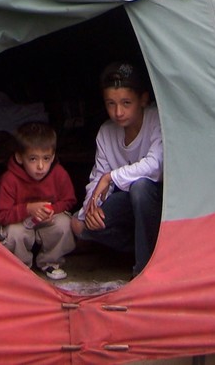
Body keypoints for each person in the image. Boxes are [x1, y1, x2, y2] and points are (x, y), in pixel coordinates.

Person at [71, 61, 163, 277]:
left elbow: (155, 165)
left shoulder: (156, 120)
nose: (118, 112)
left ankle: (143, 270)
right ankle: (143, 248)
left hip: (158, 201)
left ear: (143, 99)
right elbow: (98, 177)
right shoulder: (106, 132)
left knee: (140, 187)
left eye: (126, 103)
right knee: (79, 225)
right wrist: (92, 208)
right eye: (111, 104)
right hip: (128, 204)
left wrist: (110, 177)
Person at [0, 121, 77, 280]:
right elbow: (1, 215)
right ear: (19, 157)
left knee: (65, 223)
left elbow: (69, 200)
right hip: (20, 222)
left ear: (53, 156)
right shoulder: (9, 180)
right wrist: (28, 209)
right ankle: (21, 266)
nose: (40, 166)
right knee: (14, 232)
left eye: (46, 158)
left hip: (48, 220)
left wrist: (52, 209)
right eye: (33, 159)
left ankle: (50, 262)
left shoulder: (59, 174)